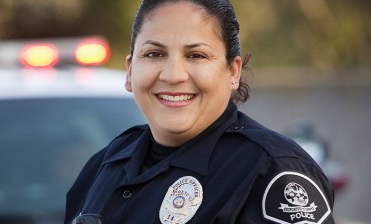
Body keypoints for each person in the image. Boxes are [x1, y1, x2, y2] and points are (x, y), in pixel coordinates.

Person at [64, 0, 336, 223]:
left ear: (233, 71)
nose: (172, 75)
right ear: (130, 70)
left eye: (196, 55)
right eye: (154, 54)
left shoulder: (271, 173)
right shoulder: (102, 167)